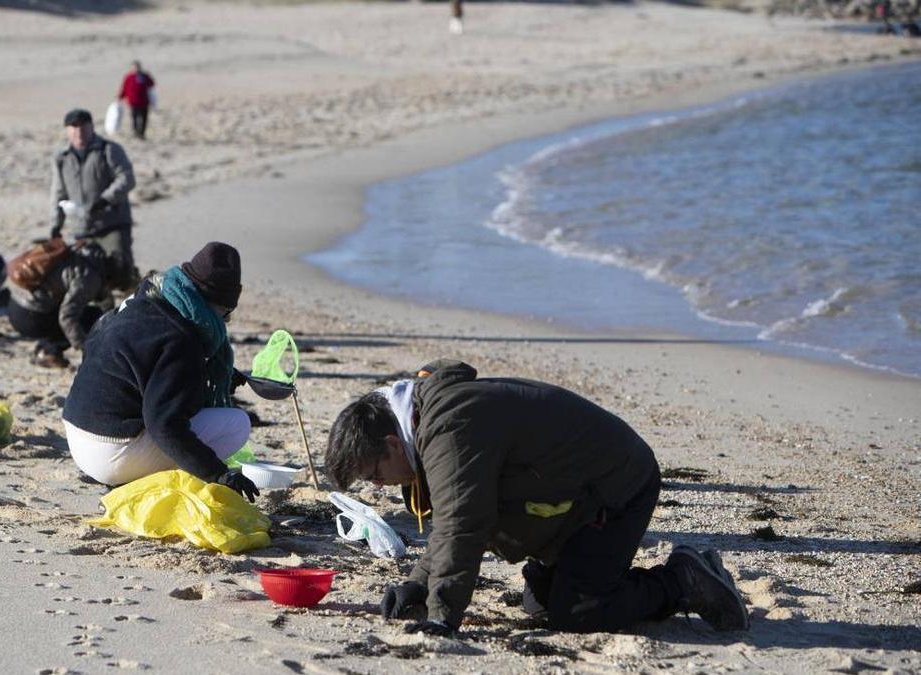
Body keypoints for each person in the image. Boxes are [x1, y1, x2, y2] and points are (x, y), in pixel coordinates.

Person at [325, 359, 750, 637]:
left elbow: (463, 525)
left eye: (373, 474)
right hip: (571, 496)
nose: (379, 486)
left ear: (391, 443)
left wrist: (441, 615)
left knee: (580, 612)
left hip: (617, 487)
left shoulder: (448, 428)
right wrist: (417, 586)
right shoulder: (426, 421)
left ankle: (684, 578)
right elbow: (453, 520)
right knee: (541, 606)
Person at [60, 242, 258, 501]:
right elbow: (164, 424)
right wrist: (218, 473)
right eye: (226, 313)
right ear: (215, 305)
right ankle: (138, 480)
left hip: (77, 433)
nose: (225, 322)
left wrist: (208, 374)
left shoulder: (143, 300)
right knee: (236, 424)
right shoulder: (181, 338)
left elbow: (118, 359)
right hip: (110, 453)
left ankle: (132, 475)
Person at [50, 108, 138, 290]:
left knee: (121, 271)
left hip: (112, 224)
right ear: (67, 130)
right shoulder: (62, 158)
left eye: (83, 126)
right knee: (92, 279)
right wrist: (55, 225)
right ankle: (105, 314)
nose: (79, 131)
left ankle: (135, 294)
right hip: (83, 228)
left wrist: (106, 199)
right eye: (73, 127)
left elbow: (127, 178)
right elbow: (58, 193)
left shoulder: (109, 150)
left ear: (91, 127)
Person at [7, 241, 111, 369]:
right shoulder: (90, 277)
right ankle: (49, 352)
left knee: (79, 313)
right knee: (92, 318)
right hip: (31, 317)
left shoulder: (83, 254)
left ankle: (43, 349)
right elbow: (67, 317)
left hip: (15, 306)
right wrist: (86, 349)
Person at [118, 61, 155, 140]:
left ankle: (142, 134)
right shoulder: (128, 77)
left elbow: (152, 84)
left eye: (137, 67)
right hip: (133, 102)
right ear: (131, 68)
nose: (136, 69)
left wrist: (147, 76)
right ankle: (135, 133)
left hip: (144, 102)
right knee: (134, 118)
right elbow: (124, 88)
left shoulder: (144, 76)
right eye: (134, 67)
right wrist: (120, 97)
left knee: (144, 119)